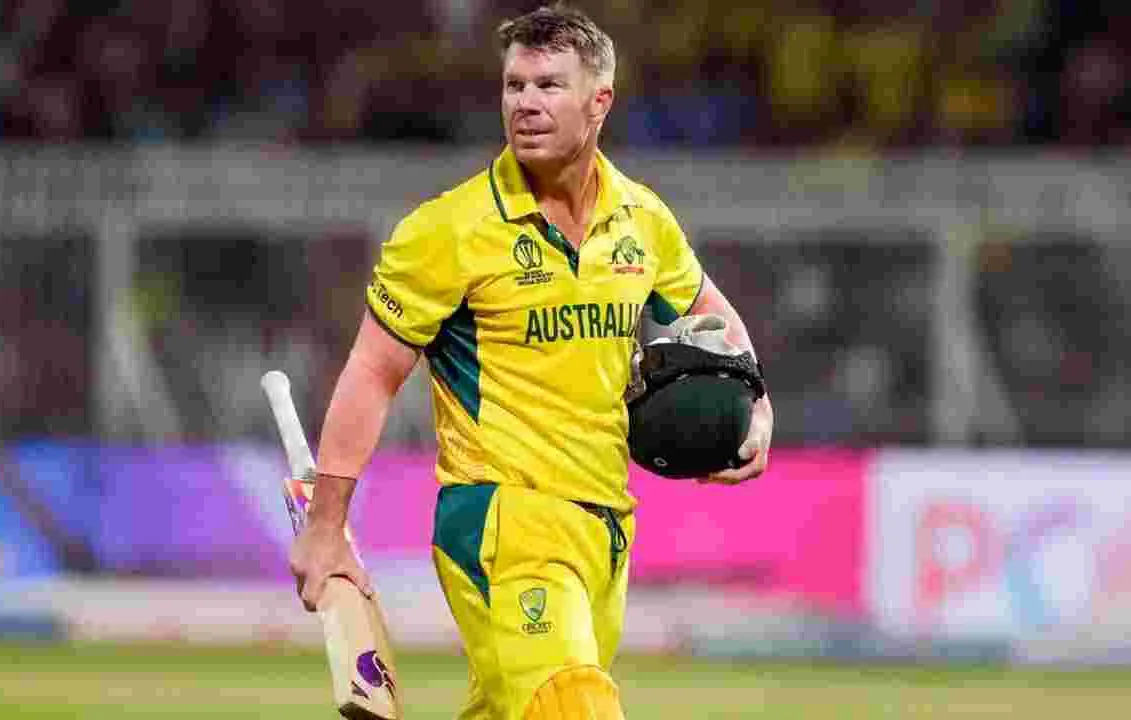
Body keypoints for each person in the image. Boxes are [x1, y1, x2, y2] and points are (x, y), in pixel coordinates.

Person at [289, 5, 773, 719]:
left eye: (549, 85)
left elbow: (710, 311)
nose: (526, 102)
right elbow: (371, 372)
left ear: (599, 101)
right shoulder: (448, 229)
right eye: (515, 85)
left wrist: (756, 404)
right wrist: (327, 525)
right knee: (575, 706)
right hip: (501, 521)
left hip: (606, 526)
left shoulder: (642, 219)